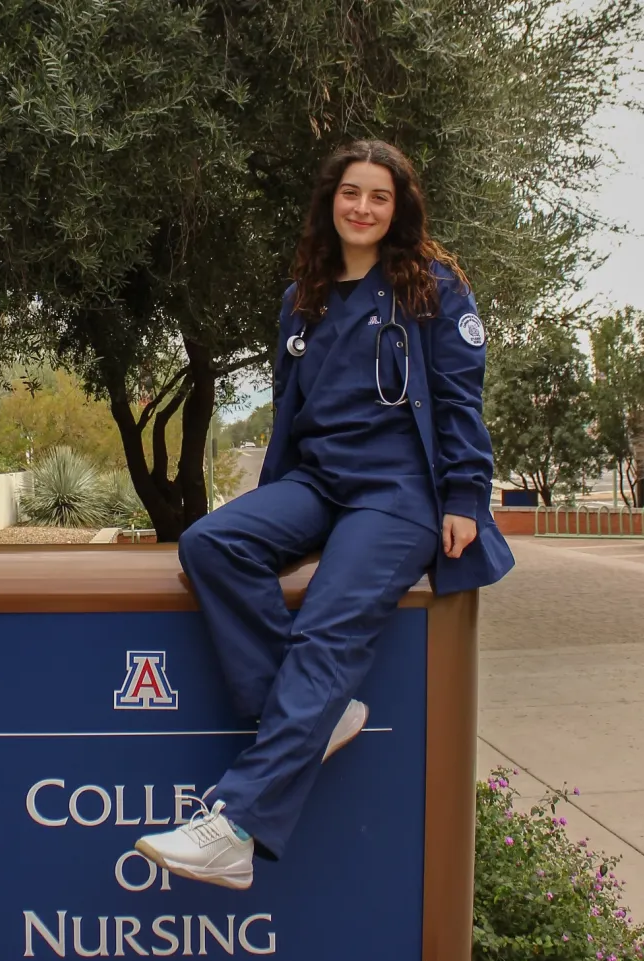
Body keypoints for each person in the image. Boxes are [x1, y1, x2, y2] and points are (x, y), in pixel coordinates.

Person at [134, 139, 514, 890]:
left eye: (379, 196)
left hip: (398, 491)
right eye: (351, 193)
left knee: (327, 626)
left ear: (398, 207)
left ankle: (235, 826)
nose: (363, 208)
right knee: (212, 544)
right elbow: (291, 410)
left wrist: (466, 496)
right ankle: (317, 713)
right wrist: (273, 496)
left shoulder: (431, 288)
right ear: (329, 201)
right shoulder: (301, 297)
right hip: (316, 480)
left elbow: (462, 400)